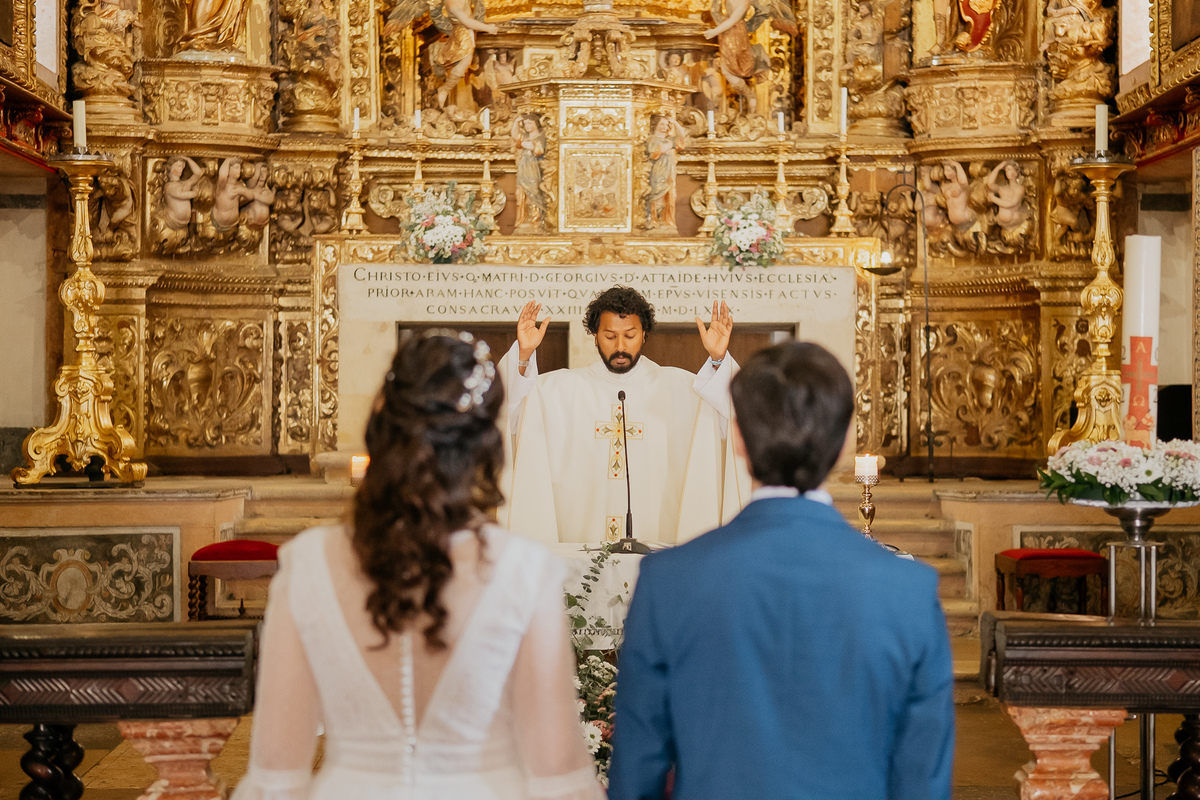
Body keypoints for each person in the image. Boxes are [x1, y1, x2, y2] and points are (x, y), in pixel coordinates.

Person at [232, 330, 605, 800]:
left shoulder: (306, 565)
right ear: (486, 443)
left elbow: (276, 777)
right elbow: (558, 776)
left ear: (384, 426)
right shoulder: (526, 571)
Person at [609, 341, 955, 800]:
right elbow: (922, 779)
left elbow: (636, 771)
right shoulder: (907, 588)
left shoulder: (669, 580)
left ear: (737, 436)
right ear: (849, 439)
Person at [499, 287, 739, 545]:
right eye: (610, 336)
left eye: (630, 335)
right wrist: (523, 357)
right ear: (594, 335)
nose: (621, 346)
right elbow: (508, 412)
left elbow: (732, 414)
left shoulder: (683, 388)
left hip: (660, 549)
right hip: (578, 547)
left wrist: (717, 360)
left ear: (644, 334)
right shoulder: (558, 390)